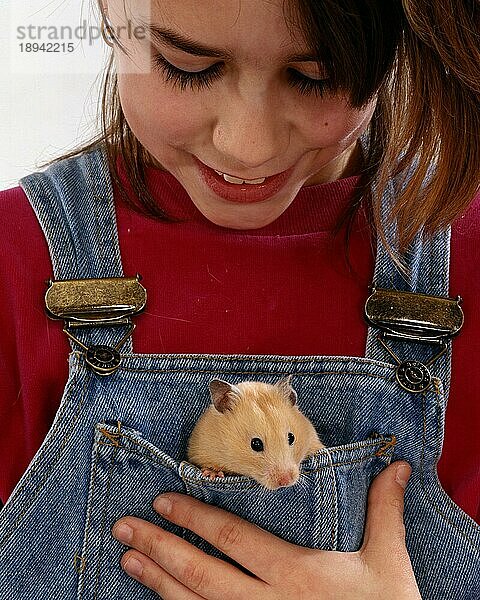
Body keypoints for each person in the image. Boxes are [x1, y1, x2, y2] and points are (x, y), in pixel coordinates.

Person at [0, 0, 478, 598]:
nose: (249, 147)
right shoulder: (19, 260)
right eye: (187, 65)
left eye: (317, 76)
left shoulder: (465, 265)